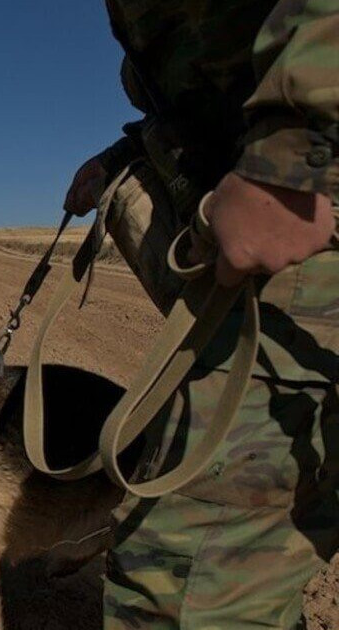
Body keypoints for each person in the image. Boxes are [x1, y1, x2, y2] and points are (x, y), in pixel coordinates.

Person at [63, 1, 338, 627]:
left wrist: (293, 152)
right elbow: (207, 83)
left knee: (185, 589)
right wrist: (119, 156)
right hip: (275, 246)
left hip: (306, 228)